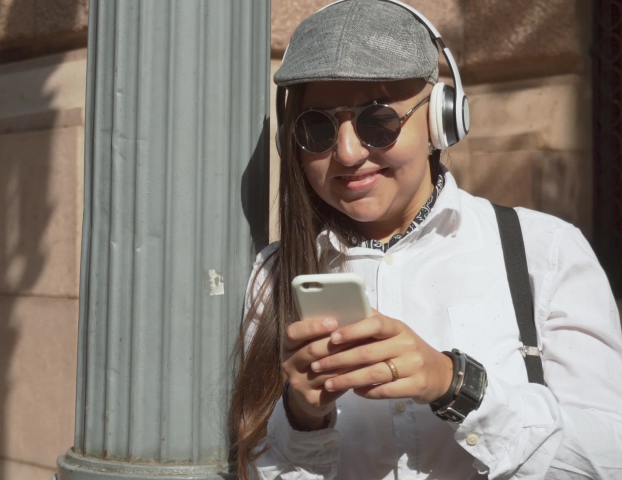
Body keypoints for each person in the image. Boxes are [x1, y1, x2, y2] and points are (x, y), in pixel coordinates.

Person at [229, 1, 622, 479]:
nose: (349, 153)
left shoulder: (547, 251)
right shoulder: (271, 278)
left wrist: (456, 385)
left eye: (378, 121)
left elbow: (606, 461)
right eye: (319, 127)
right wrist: (303, 421)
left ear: (441, 118)